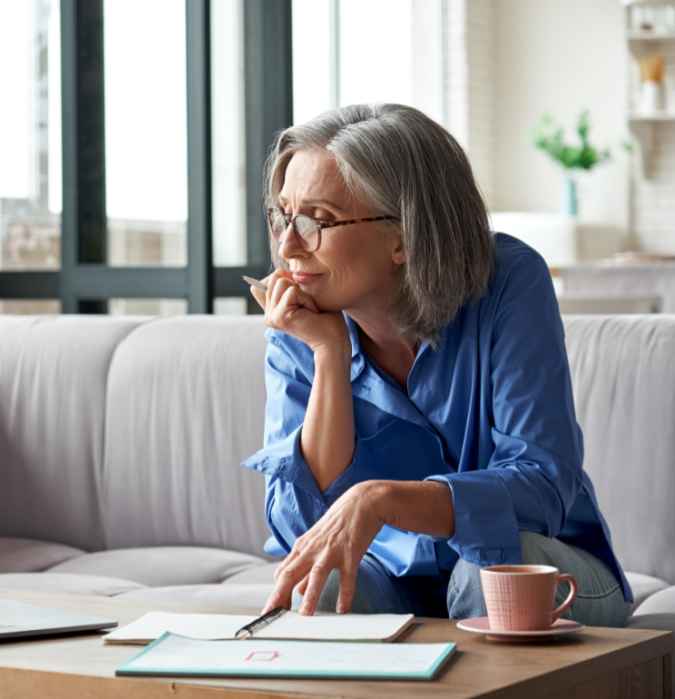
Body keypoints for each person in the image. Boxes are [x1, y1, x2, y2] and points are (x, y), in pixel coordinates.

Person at [241, 103, 632, 626]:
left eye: (318, 221)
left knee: (487, 574)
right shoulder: (302, 319)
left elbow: (542, 486)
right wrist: (328, 354)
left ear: (404, 236)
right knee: (326, 584)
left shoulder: (509, 282)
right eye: (282, 216)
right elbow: (303, 528)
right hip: (394, 577)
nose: (288, 245)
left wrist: (383, 500)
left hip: (544, 565)